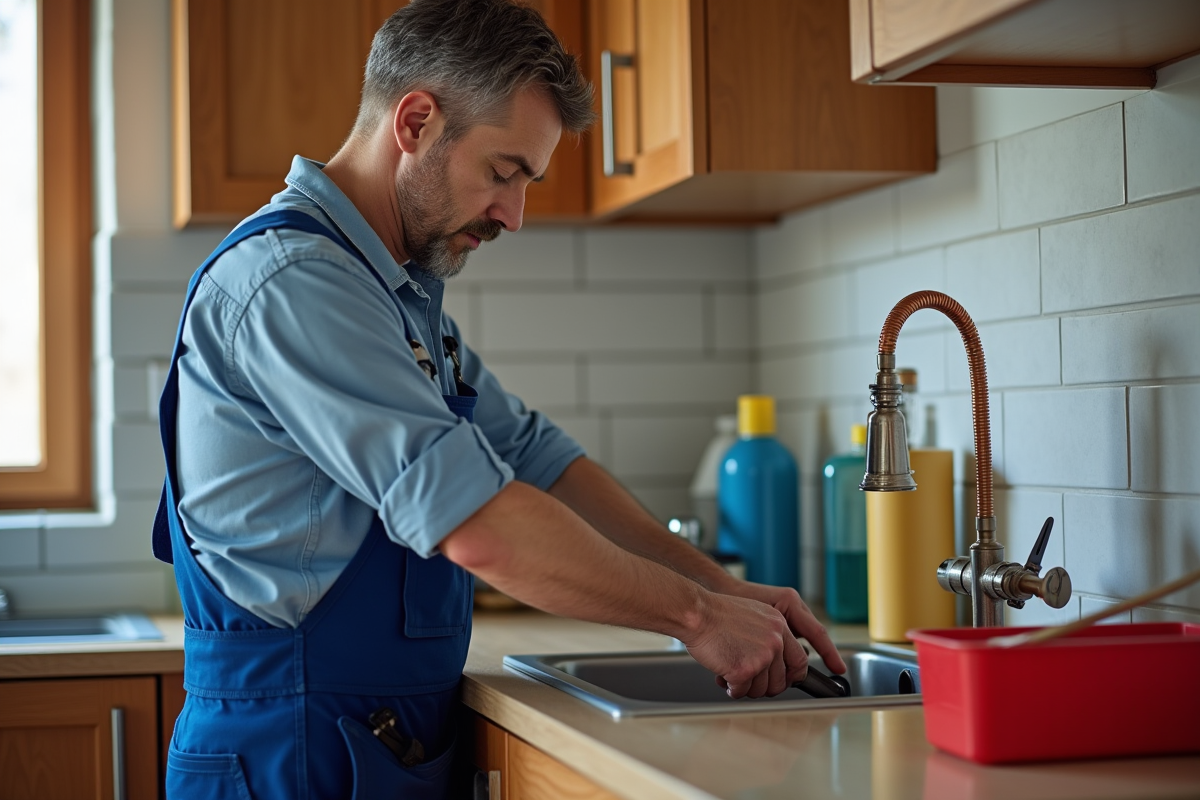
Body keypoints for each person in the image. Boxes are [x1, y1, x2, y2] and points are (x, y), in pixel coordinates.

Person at [154, 1, 845, 798]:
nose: (514, 214)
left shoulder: (393, 295)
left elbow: (538, 463)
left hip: (368, 746)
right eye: (503, 172)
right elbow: (479, 525)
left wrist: (724, 590)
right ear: (415, 121)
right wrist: (695, 616)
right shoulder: (295, 284)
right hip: (286, 755)